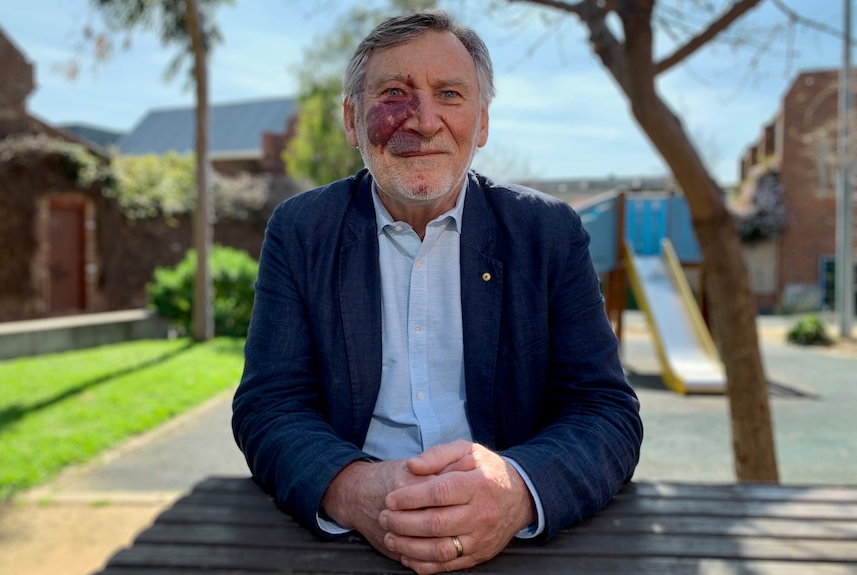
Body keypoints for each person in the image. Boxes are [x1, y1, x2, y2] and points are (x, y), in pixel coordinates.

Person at [232, 10, 642, 575]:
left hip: (512, 545)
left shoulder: (548, 233)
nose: (423, 122)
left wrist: (515, 490)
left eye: (449, 94)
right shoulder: (302, 230)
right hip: (348, 538)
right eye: (394, 93)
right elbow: (269, 405)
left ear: (482, 123)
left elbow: (604, 411)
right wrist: (355, 488)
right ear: (352, 122)